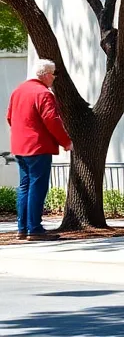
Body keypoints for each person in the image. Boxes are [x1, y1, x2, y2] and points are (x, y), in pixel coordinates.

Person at [6, 59, 72, 241]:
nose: (54, 78)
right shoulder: (44, 93)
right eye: (53, 74)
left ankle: (22, 228)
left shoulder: (18, 91)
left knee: (24, 186)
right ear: (44, 75)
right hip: (38, 147)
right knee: (37, 186)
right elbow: (52, 120)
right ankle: (34, 228)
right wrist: (66, 141)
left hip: (19, 147)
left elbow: (10, 117)